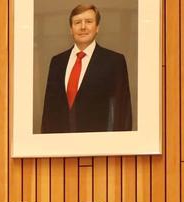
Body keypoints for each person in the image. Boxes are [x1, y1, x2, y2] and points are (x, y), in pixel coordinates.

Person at [41, 4, 132, 133]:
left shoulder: (115, 61)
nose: (83, 27)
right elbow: (48, 112)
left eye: (88, 22)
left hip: (100, 147)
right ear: (71, 29)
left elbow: (122, 112)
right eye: (77, 22)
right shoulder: (57, 62)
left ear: (97, 28)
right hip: (60, 147)